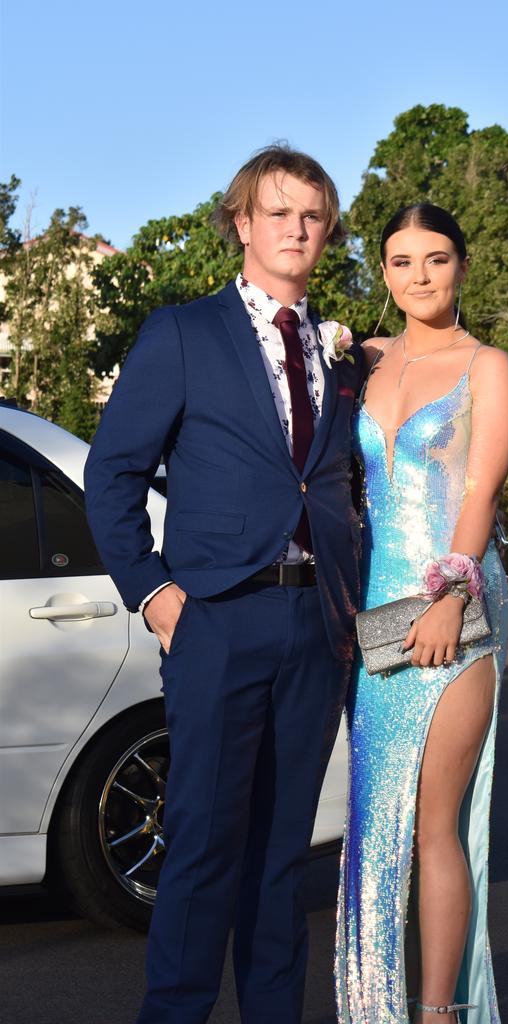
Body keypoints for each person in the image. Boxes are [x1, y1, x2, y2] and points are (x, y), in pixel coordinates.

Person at [84, 145, 364, 1024]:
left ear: (326, 235)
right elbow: (113, 474)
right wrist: (155, 594)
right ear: (242, 223)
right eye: (278, 212)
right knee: (204, 847)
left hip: (317, 626)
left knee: (283, 859)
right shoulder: (182, 333)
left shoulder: (343, 355)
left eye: (312, 216)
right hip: (219, 620)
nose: (296, 228)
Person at [335, 204, 508, 1024]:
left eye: (436, 259)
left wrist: (449, 596)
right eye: (403, 261)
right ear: (383, 273)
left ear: (462, 268)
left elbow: (479, 491)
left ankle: (438, 1013)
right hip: (375, 620)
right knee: (374, 827)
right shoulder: (361, 361)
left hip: (456, 611)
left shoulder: (488, 366)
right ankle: (370, 1003)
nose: (420, 276)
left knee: (433, 825)